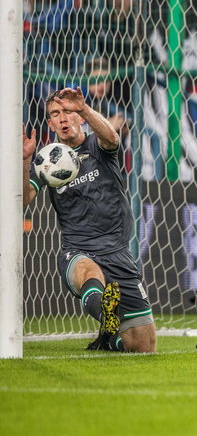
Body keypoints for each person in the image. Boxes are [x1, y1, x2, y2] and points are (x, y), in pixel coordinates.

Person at [22, 88, 156, 353]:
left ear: (80, 117)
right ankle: (109, 320)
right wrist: (25, 160)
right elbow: (24, 198)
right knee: (89, 272)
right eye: (55, 114)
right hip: (79, 250)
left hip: (118, 253)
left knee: (143, 346)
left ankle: (110, 340)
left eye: (68, 112)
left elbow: (112, 137)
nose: (63, 119)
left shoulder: (98, 146)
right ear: (50, 123)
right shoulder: (46, 161)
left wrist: (84, 108)